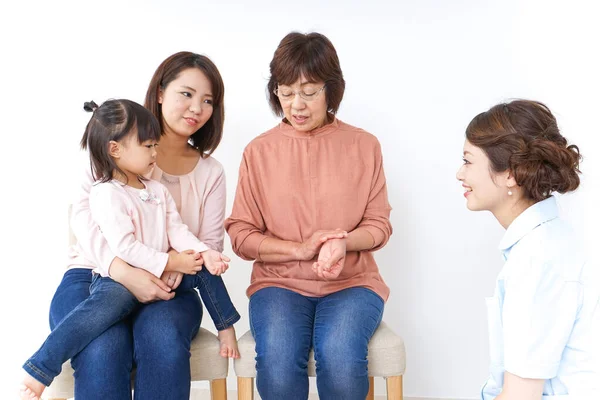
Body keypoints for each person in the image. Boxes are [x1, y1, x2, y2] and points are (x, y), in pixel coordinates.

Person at [38, 52, 240, 400]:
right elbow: (85, 220)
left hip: (171, 285)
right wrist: (122, 270)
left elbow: (209, 245)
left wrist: (174, 263)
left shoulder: (211, 172)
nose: (196, 108)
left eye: (208, 101)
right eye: (186, 94)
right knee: (103, 347)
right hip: (92, 274)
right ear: (160, 92)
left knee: (161, 337)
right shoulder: (116, 144)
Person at [224, 32, 392, 400]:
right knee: (279, 363)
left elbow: (378, 225)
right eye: (286, 92)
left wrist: (343, 242)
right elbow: (241, 235)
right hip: (278, 284)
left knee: (341, 358)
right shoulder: (258, 151)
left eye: (310, 92)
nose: (296, 105)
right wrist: (299, 250)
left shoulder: (365, 145)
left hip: (352, 283)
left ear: (332, 90)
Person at [456, 99, 600, 399]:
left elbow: (521, 396)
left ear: (510, 174)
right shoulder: (544, 243)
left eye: (468, 161)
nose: (460, 173)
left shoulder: (537, 260)